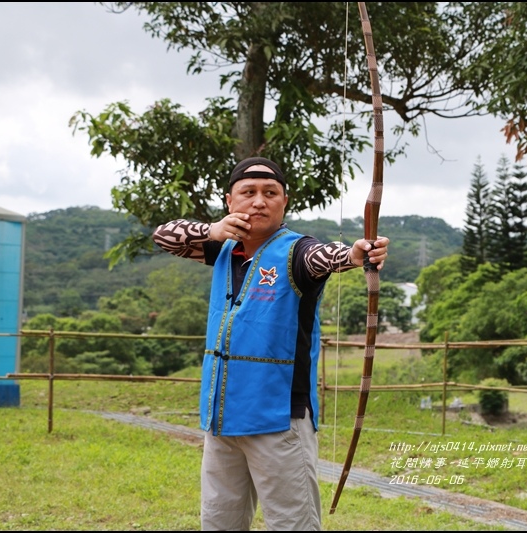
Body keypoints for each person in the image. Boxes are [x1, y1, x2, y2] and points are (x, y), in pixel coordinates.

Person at [152, 156, 390, 531]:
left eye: (270, 193)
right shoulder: (222, 248)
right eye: (248, 193)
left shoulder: (297, 252)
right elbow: (163, 235)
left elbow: (324, 257)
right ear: (230, 202)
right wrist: (214, 230)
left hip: (279, 421)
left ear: (285, 201)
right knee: (218, 522)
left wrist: (354, 255)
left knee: (291, 524)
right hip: (221, 419)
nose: (259, 201)